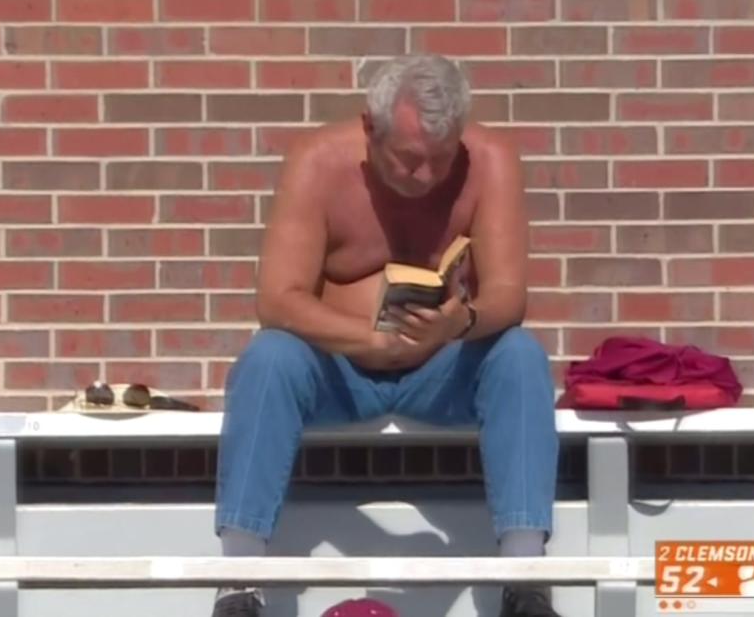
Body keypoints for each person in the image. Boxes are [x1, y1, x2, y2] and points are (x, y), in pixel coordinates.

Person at [211, 54, 561, 617]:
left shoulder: (490, 161)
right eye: (408, 161)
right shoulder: (317, 162)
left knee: (519, 354)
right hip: (341, 371)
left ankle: (525, 581)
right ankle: (239, 580)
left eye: (441, 161)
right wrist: (366, 340)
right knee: (268, 357)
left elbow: (508, 296)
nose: (424, 177)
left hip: (442, 367)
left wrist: (459, 323)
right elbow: (277, 299)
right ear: (370, 128)